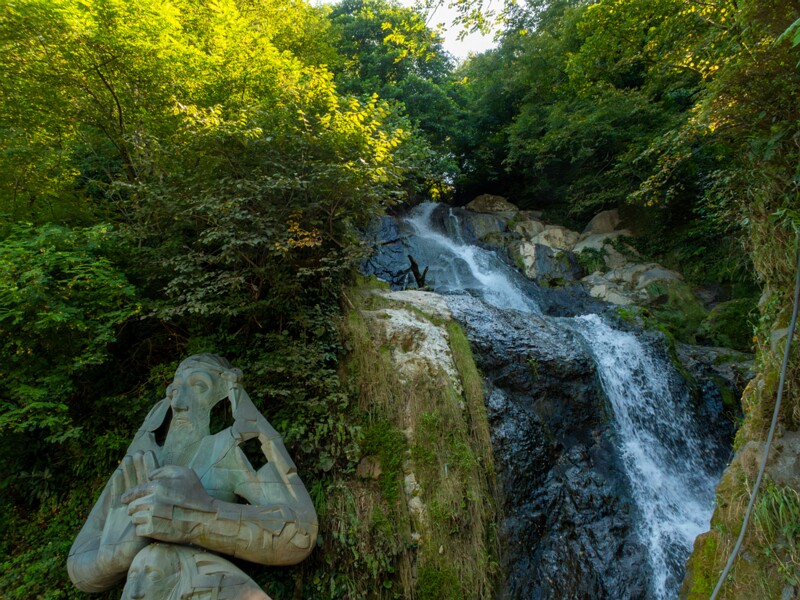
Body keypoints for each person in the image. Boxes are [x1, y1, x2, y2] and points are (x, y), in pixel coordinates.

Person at [68, 354, 317, 597]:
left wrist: (199, 517)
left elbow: (301, 532)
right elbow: (77, 561)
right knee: (149, 562)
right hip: (141, 586)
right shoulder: (143, 458)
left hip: (199, 584)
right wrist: (109, 558)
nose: (179, 403)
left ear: (226, 395)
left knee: (157, 560)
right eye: (175, 390)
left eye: (199, 387)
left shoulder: (230, 445)